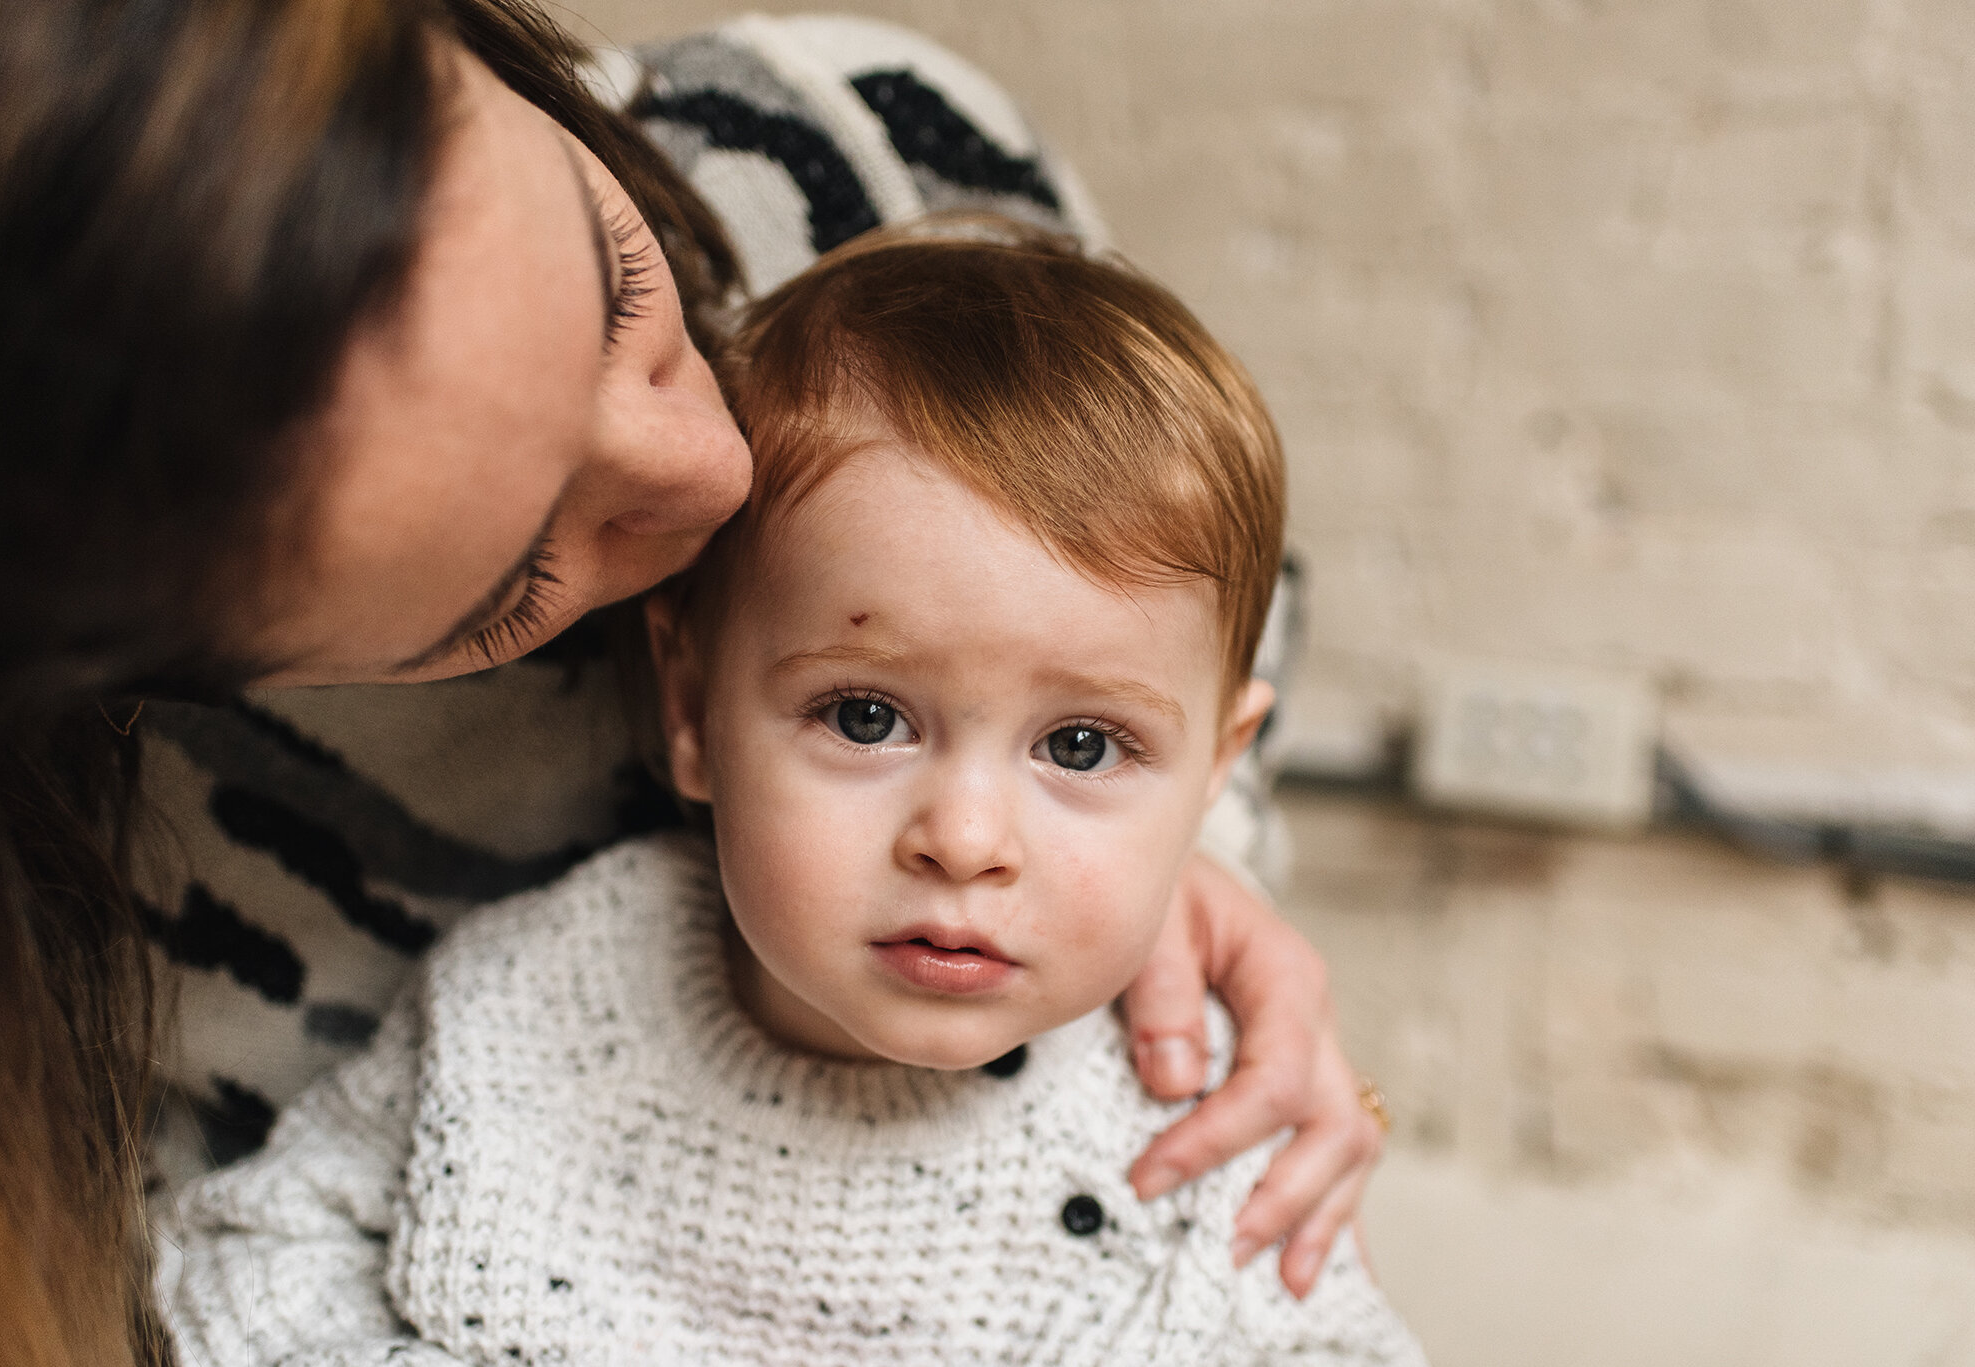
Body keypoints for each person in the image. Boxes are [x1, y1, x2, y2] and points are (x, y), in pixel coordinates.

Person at [0, 6, 1383, 1366]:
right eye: (511, 577)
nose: (717, 475)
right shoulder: (510, 1010)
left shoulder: (856, 146)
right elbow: (248, 1262)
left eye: (623, 296)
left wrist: (1197, 849)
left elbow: (1193, 561)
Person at [160, 223, 1425, 1367]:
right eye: (865, 716)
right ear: (689, 708)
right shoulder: (537, 1001)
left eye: (1083, 746)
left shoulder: (1204, 1112)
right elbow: (241, 1267)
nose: (966, 839)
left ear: (1216, 770)